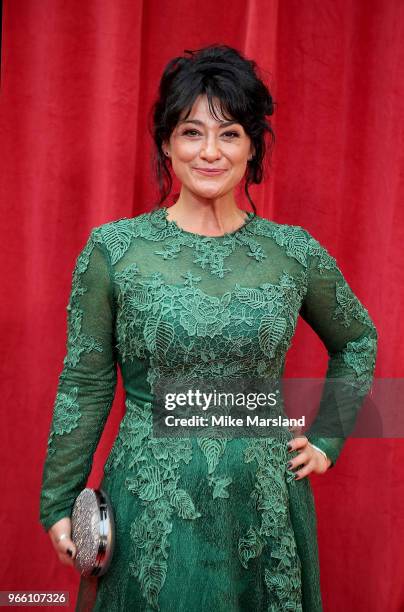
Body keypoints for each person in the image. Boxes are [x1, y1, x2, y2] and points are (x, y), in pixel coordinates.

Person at [39, 44, 378, 612]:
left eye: (230, 134)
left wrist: (327, 437)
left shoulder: (292, 252)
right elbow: (86, 383)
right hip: (151, 502)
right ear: (167, 143)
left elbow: (358, 341)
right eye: (192, 132)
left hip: (264, 502)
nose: (210, 153)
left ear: (253, 147)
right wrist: (57, 502)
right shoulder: (114, 251)